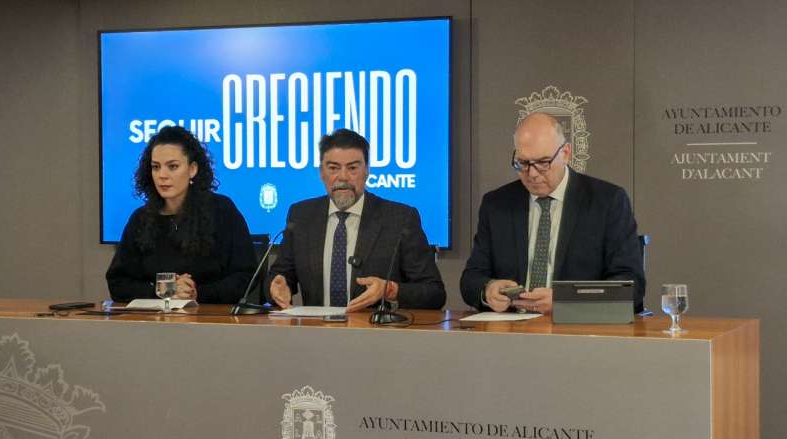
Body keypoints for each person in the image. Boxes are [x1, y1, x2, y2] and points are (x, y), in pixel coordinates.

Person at [460, 112, 645, 314]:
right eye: (522, 163)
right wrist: (488, 290)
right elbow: (471, 278)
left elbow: (630, 284)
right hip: (511, 332)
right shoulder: (496, 204)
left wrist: (565, 301)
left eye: (543, 163)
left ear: (565, 153)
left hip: (578, 333)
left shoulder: (607, 201)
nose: (532, 174)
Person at [267, 128, 445, 311]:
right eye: (333, 168)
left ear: (367, 171)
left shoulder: (400, 219)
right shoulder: (301, 216)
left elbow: (434, 293)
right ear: (321, 172)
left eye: (352, 168)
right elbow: (279, 275)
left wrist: (390, 289)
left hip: (377, 334)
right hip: (316, 333)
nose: (343, 177)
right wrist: (277, 286)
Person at [106, 126, 257, 304]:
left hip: (212, 320)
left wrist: (196, 294)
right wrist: (164, 291)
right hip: (154, 324)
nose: (162, 175)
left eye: (173, 167)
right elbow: (118, 283)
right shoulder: (141, 219)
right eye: (156, 167)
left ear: (192, 169)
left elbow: (246, 276)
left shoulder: (222, 211)